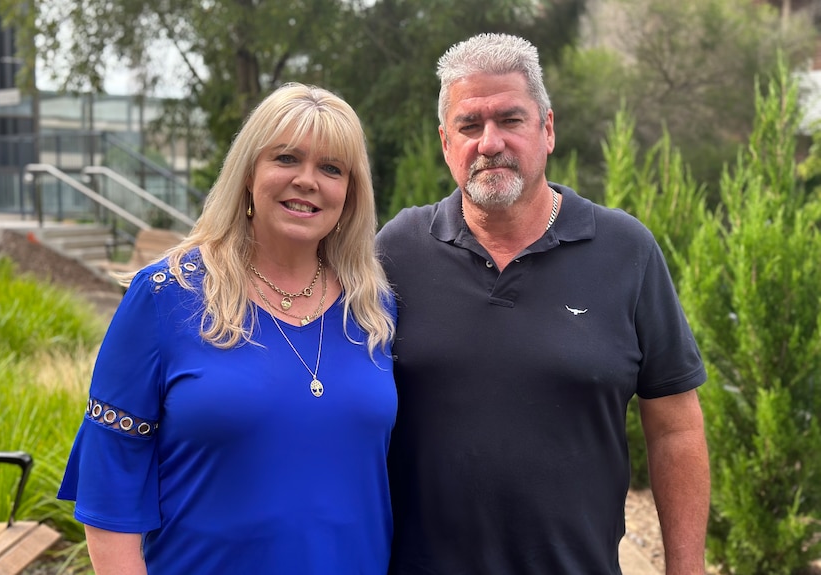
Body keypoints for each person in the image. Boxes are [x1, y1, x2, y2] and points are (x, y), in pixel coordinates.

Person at [376, 33, 710, 575]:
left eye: (510, 120)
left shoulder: (625, 249)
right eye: (469, 125)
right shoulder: (398, 249)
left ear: (547, 129)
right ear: (445, 142)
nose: (489, 143)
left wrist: (686, 567)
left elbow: (675, 425)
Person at [58, 82, 397, 575]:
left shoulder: (374, 309)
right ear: (247, 174)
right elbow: (110, 488)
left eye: (331, 168)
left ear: (350, 194)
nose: (308, 181)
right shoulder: (165, 295)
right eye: (286, 158)